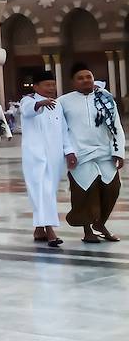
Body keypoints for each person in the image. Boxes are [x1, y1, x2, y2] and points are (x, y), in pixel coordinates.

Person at [61, 66, 124, 243]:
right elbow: (60, 130)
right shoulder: (63, 102)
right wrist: (68, 151)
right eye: (80, 78)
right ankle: (87, 230)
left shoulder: (105, 98)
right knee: (84, 192)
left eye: (88, 76)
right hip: (79, 154)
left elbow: (116, 126)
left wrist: (118, 151)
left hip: (105, 152)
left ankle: (100, 223)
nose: (85, 80)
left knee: (113, 188)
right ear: (73, 82)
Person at [20, 70, 72, 248]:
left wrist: (69, 151)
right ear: (36, 87)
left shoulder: (57, 105)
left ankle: (39, 228)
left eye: (53, 84)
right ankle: (50, 230)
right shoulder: (28, 101)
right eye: (47, 85)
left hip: (55, 157)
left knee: (48, 191)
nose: (51, 88)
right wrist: (40, 104)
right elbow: (28, 111)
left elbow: (64, 131)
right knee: (43, 191)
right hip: (35, 157)